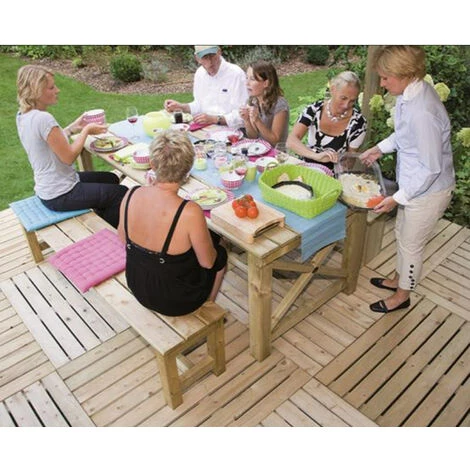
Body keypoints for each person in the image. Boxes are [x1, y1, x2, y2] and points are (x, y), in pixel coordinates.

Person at [360, 46, 455, 314]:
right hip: (414, 187)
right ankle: (397, 280)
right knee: (402, 233)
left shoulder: (423, 112)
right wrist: (379, 148)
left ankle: (402, 296)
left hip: (428, 192)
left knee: (412, 245)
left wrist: (397, 198)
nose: (382, 83)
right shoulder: (411, 93)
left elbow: (431, 168)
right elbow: (405, 134)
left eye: (386, 78)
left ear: (405, 74)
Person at [117, 129, 227, 317]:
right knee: (221, 253)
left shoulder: (131, 193)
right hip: (176, 301)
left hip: (137, 285)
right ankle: (207, 306)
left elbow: (122, 238)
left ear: (152, 164)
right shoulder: (189, 211)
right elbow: (208, 263)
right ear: (188, 168)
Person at [16, 64, 128, 229]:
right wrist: (86, 131)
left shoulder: (23, 115)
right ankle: (107, 231)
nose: (57, 90)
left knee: (110, 179)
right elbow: (68, 157)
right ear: (36, 91)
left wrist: (74, 127)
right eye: (51, 87)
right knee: (120, 193)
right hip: (61, 193)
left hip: (50, 186)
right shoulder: (43, 119)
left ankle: (102, 215)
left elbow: (50, 141)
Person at [287, 71, 367, 170]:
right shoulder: (314, 110)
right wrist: (316, 156)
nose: (346, 105)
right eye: (343, 98)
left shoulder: (359, 123)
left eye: (352, 101)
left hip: (334, 173)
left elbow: (349, 162)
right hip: (306, 168)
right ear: (333, 89)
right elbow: (291, 140)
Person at [164, 46, 248, 129]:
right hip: (206, 128)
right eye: (205, 57)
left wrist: (214, 119)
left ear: (219, 52)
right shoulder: (200, 73)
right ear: (197, 58)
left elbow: (243, 114)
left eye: (212, 55)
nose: (210, 62)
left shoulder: (236, 74)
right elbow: (199, 105)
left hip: (233, 130)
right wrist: (181, 107)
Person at [239, 60, 289, 146]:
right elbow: (253, 137)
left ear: (266, 83)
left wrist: (257, 120)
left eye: (252, 79)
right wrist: (247, 120)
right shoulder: (253, 101)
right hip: (258, 149)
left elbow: (275, 141)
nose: (247, 83)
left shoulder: (280, 105)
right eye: (247, 77)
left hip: (276, 152)